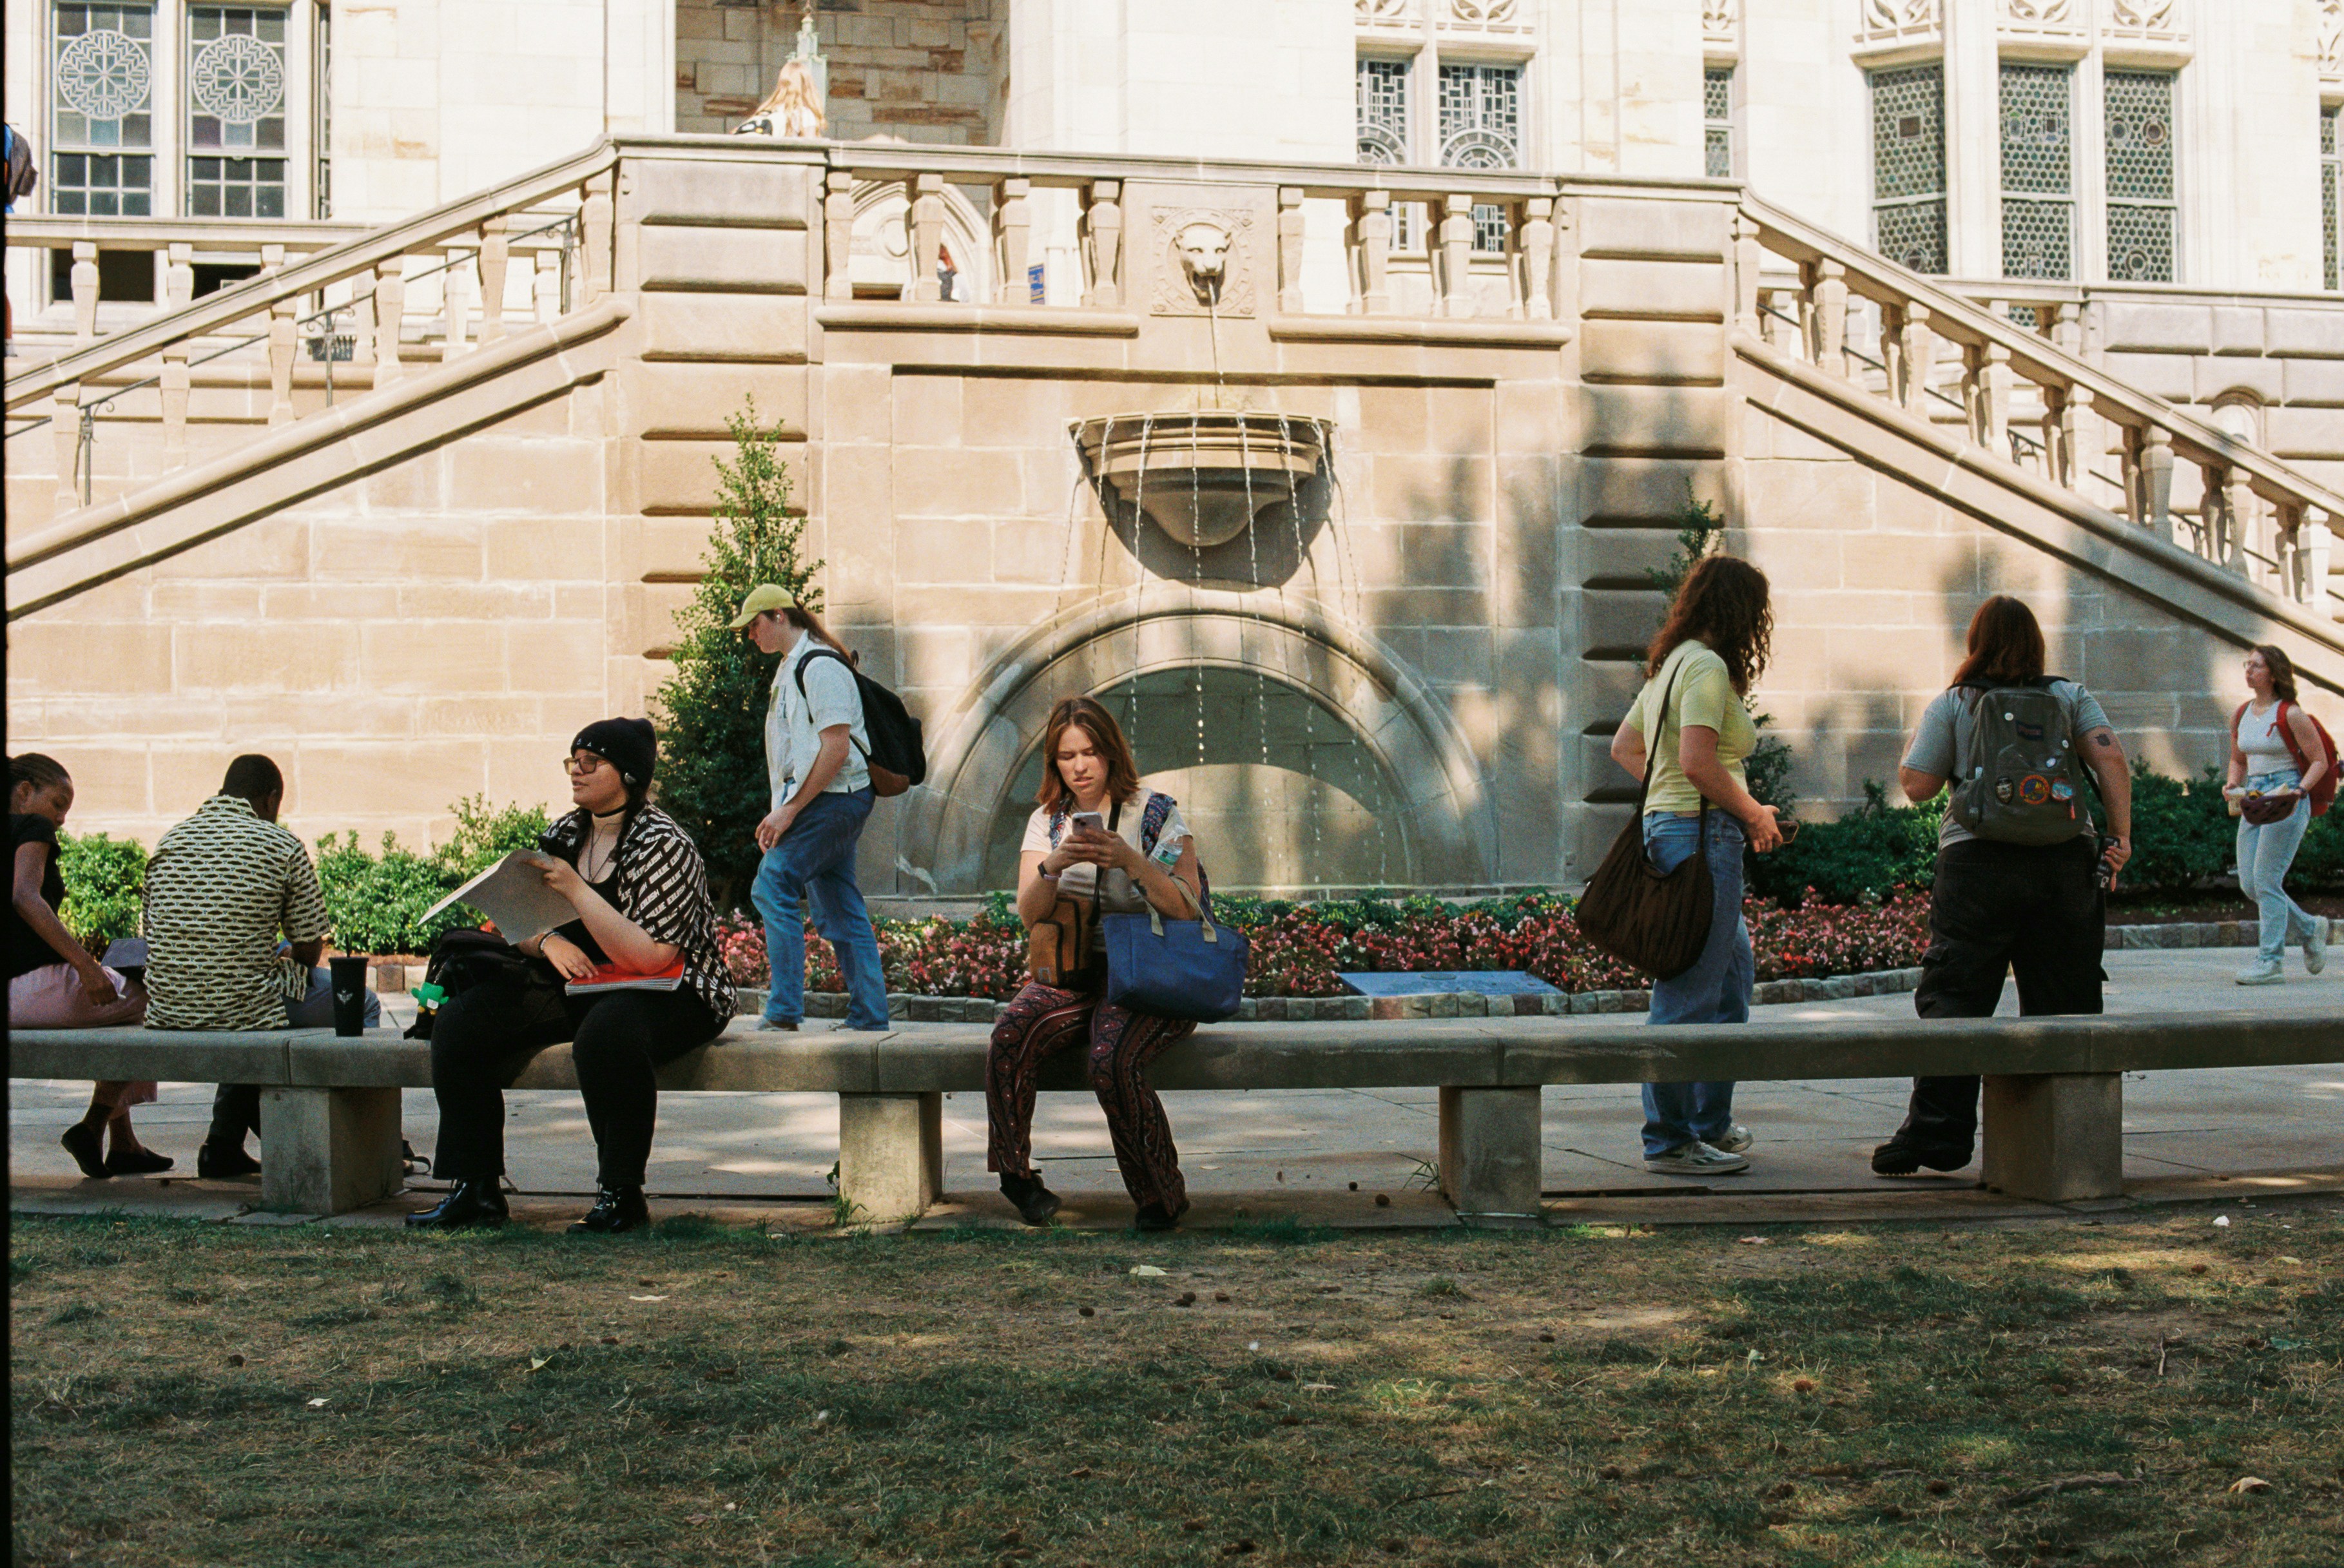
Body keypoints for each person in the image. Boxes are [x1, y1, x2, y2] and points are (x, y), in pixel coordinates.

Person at [409, 720, 736, 1234]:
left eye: (591, 762)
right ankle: (475, 1188)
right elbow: (518, 919)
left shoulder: (663, 843)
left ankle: (621, 1194)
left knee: (607, 1034)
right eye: (572, 761)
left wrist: (578, 891)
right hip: (583, 980)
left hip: (672, 988)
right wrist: (546, 941)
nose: (576, 772)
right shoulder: (565, 832)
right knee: (460, 1023)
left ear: (627, 774)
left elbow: (653, 956)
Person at [1871, 595, 2133, 1176]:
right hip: (2063, 862)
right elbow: (2112, 761)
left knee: (1957, 996)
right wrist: (2120, 837)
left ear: (1976, 643)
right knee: (2064, 997)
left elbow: (1916, 785)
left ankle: (1936, 1135)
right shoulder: (2069, 696)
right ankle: (2069, 1137)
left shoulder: (1957, 701)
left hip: (1975, 864)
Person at [987, 697, 1206, 1231]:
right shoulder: (1047, 822)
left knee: (1109, 1058)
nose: (1079, 765)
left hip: (1152, 975)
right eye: (1066, 756)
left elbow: (1188, 909)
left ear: (1110, 753)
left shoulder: (1156, 813)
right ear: (1054, 763)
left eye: (1089, 752)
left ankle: (1160, 1195)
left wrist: (1129, 860)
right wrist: (1053, 865)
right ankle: (1016, 1176)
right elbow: (1030, 915)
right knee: (1012, 1031)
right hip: (1074, 973)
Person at [1608, 555, 1785, 1176]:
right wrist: (1752, 813)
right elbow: (1697, 763)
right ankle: (1669, 1139)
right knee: (1687, 992)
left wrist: (1672, 801)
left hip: (1678, 828)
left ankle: (1708, 1123)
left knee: (1731, 978)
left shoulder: (1671, 664)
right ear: (1742, 612)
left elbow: (1625, 747)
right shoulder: (1706, 667)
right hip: (1702, 837)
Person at [142, 754, 381, 1179]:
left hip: (169, 1007)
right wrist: (287, 954)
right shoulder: (279, 844)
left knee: (246, 997)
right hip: (245, 1005)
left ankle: (223, 1145)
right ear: (270, 798)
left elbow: (155, 931)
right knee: (360, 1002)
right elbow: (310, 947)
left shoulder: (170, 840)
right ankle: (368, 1140)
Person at [730, 585, 889, 1035]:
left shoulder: (818, 666)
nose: (750, 636)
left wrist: (791, 810)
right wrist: (787, 806)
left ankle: (782, 1010)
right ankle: (870, 1014)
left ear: (779, 615)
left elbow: (836, 748)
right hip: (829, 800)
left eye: (754, 625)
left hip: (834, 798)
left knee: (771, 882)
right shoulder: (794, 666)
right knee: (838, 903)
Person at [9, 754, 162, 1177]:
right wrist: (87, 965)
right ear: (25, 792)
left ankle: (124, 1143)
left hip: (17, 993)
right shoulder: (30, 826)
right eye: (58, 804)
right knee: (153, 996)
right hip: (31, 990)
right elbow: (25, 896)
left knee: (118, 1011)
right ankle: (95, 1123)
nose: (60, 819)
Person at [2225, 644, 2330, 985]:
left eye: (2256, 666)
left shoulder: (2290, 714)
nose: (2248, 671)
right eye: (2247, 664)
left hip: (2286, 796)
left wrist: (2301, 790)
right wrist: (2231, 784)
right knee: (2251, 883)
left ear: (2273, 673)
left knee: (2267, 881)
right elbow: (2239, 760)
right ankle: (2310, 928)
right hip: (2254, 798)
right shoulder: (2241, 714)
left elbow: (2319, 761)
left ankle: (2270, 962)